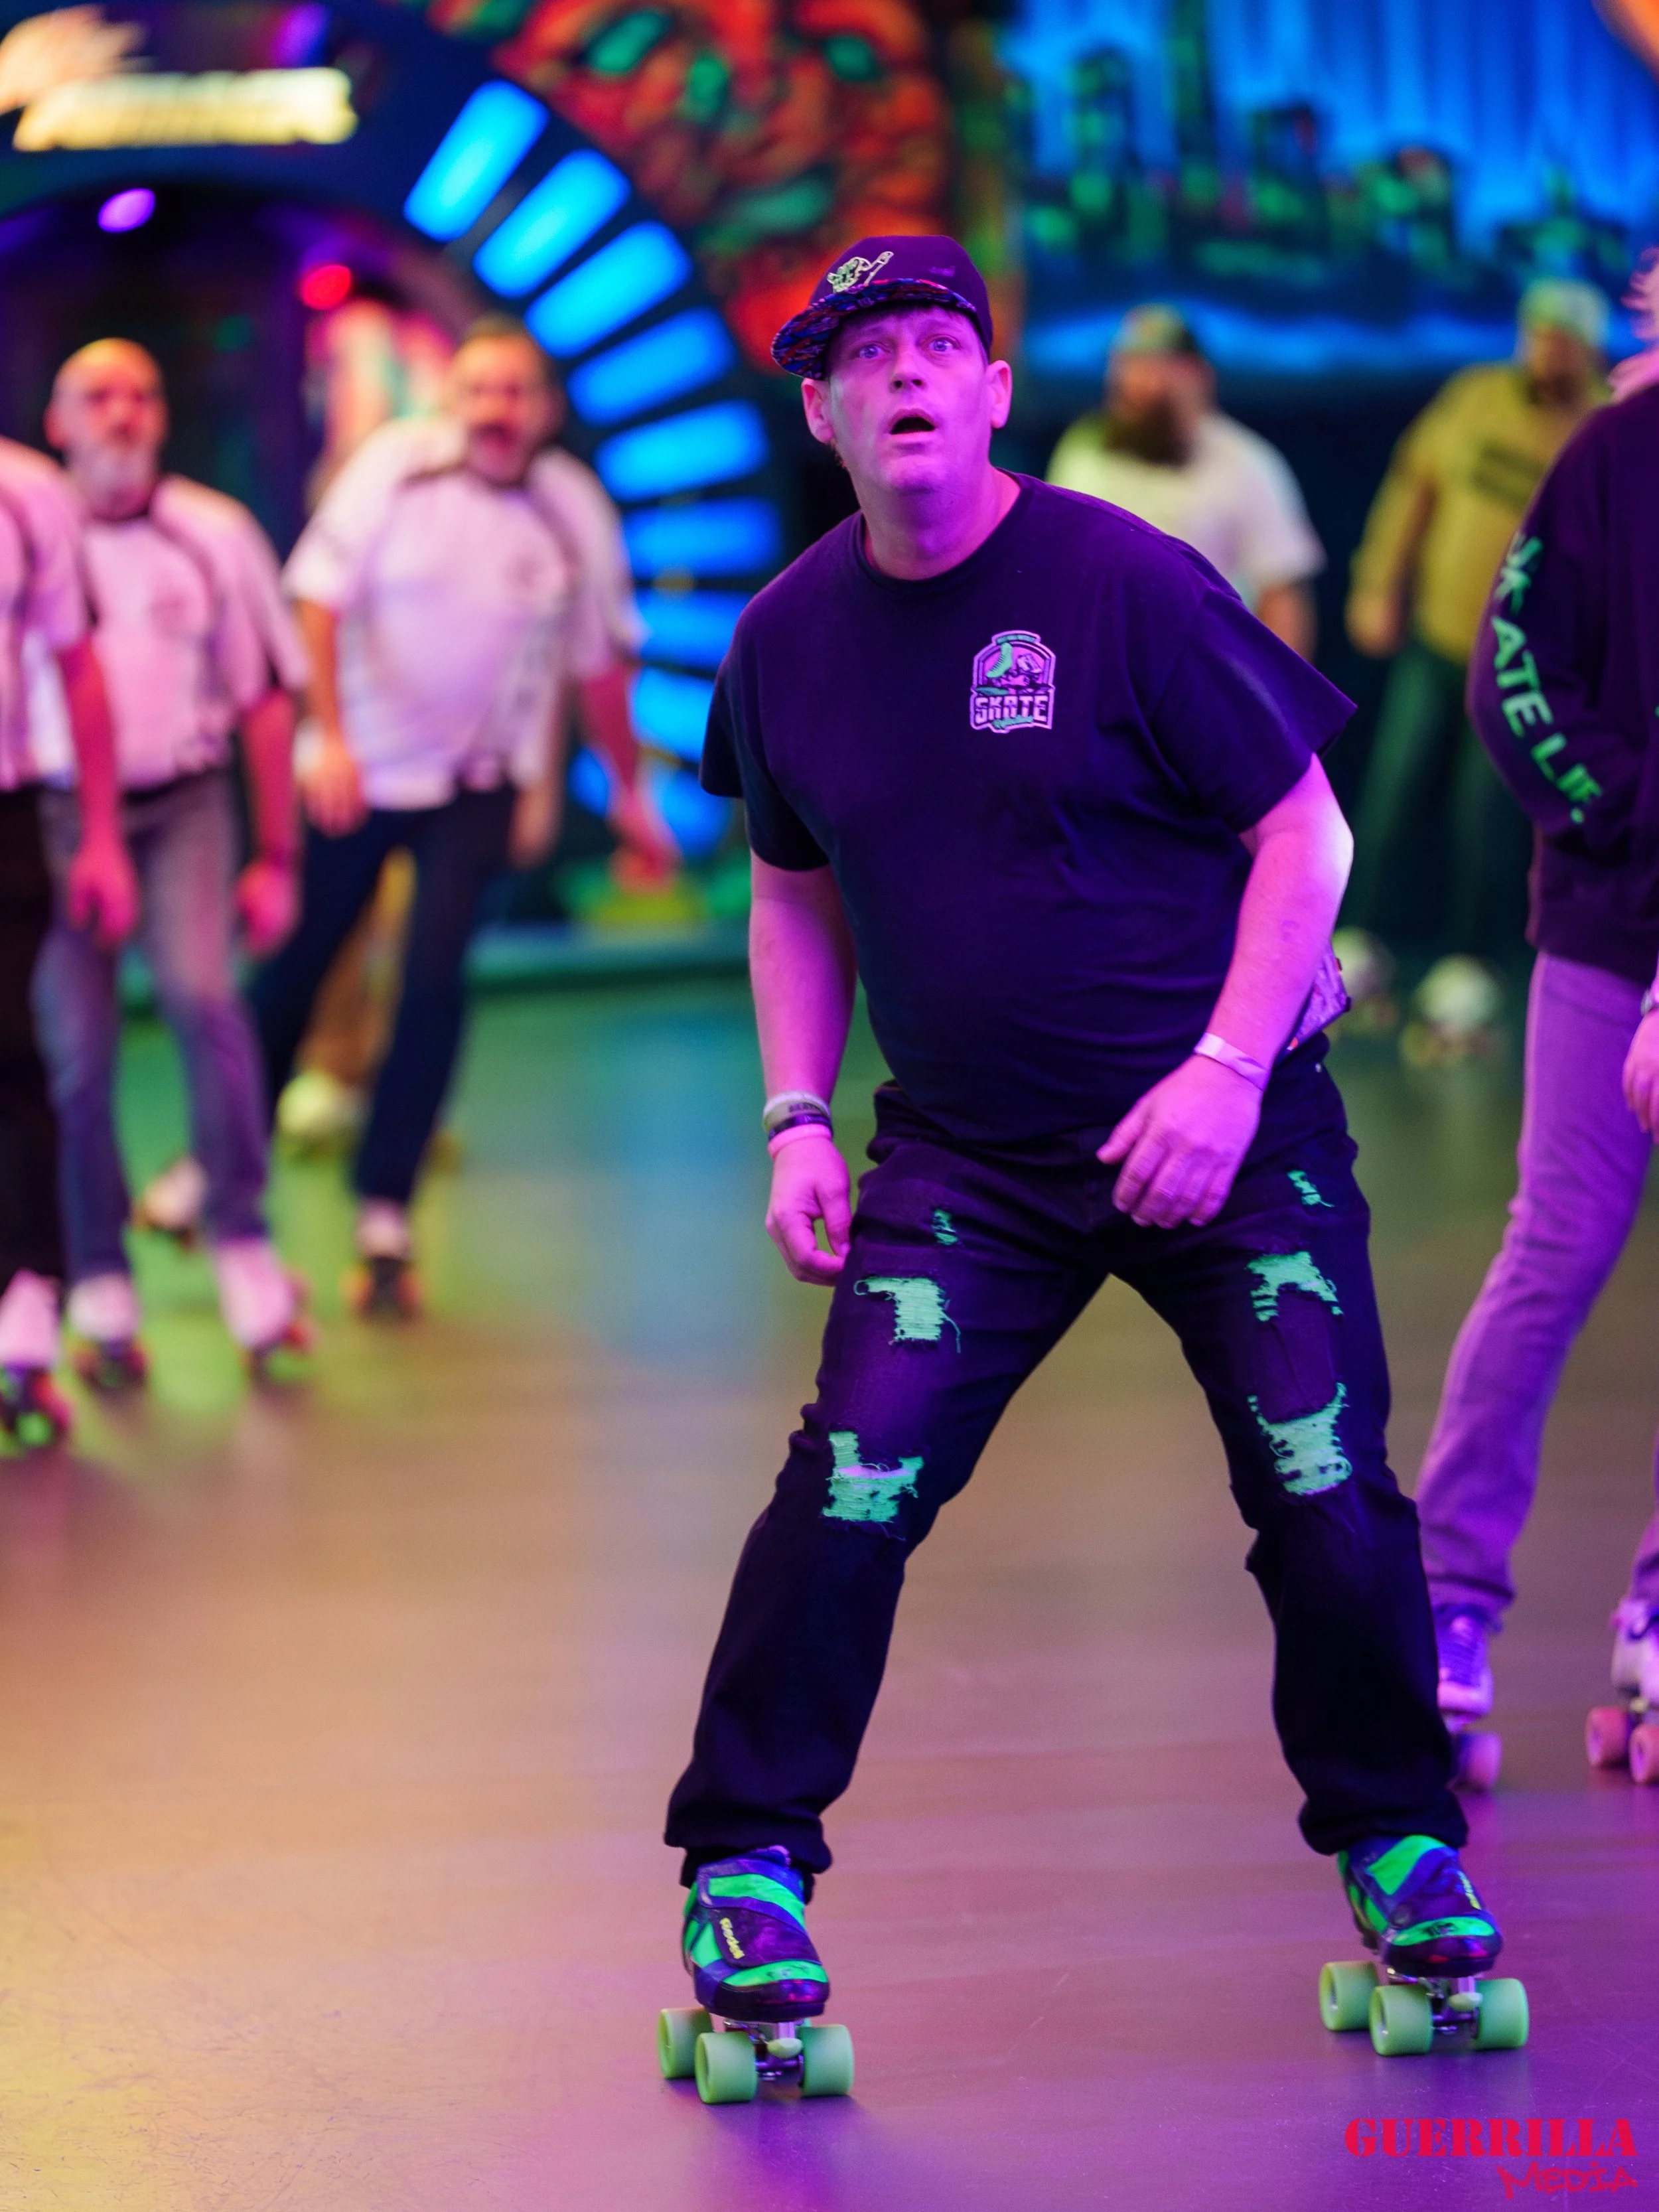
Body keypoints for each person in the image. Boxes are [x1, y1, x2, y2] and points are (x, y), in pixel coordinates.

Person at [663, 235, 1507, 2053]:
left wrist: (1220, 1073)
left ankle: (1400, 1840)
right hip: (967, 1164)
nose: (900, 372)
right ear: (818, 414)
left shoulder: (1124, 581)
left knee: (1320, 1480)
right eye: (861, 354)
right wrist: (795, 1115)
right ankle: (744, 1861)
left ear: (989, 393)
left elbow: (1308, 835)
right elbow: (790, 889)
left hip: (1229, 1129)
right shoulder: (786, 640)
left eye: (933, 344)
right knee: (852, 1483)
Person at [254, 317, 638, 1314]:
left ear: (544, 410)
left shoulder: (571, 509)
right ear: (453, 401)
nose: (495, 410)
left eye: (515, 392)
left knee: (432, 981)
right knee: (301, 966)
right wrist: (330, 739)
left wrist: (631, 796)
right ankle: (223, 1165)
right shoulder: (394, 466)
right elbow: (317, 599)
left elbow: (598, 666)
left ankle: (385, 1209)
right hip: (363, 769)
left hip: (476, 782)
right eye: (479, 390)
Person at [1414, 354, 1659, 1763]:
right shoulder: (1610, 459)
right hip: (1606, 925)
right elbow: (1511, 674)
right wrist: (1625, 811)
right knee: (1557, 1243)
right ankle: (1446, 1600)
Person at [29, 339, 309, 1380]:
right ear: (58, 422)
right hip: (54, 814)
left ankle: (240, 1237)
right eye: (97, 396)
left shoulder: (215, 533)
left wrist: (277, 855)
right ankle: (96, 1269)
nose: (122, 413)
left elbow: (265, 699)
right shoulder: (29, 527)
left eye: (141, 394)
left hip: (187, 802)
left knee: (205, 998)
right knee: (75, 1050)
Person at [1340, 281, 1607, 1029]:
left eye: (1565, 338)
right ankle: (1363, 938)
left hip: (1529, 665)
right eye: (1540, 333)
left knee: (1486, 814)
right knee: (1392, 791)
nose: (1549, 349)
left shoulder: (1605, 430)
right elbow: (1413, 489)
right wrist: (1377, 582)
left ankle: (1470, 958)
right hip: (1439, 636)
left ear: (1589, 348)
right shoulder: (1475, 398)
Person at [0, 434, 135, 1436]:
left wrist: (101, 836)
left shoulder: (27, 491)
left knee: (14, 1050)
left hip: (8, 811)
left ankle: (28, 1297)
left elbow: (78, 667)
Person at [1045, 302, 1323, 656]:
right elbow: (1055, 569)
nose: (1137, 382)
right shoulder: (1082, 451)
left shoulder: (1246, 463)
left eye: (1154, 366)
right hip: (1098, 659)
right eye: (1126, 365)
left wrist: (1274, 688)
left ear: (1198, 376)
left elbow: (1282, 595)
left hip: (1203, 663)